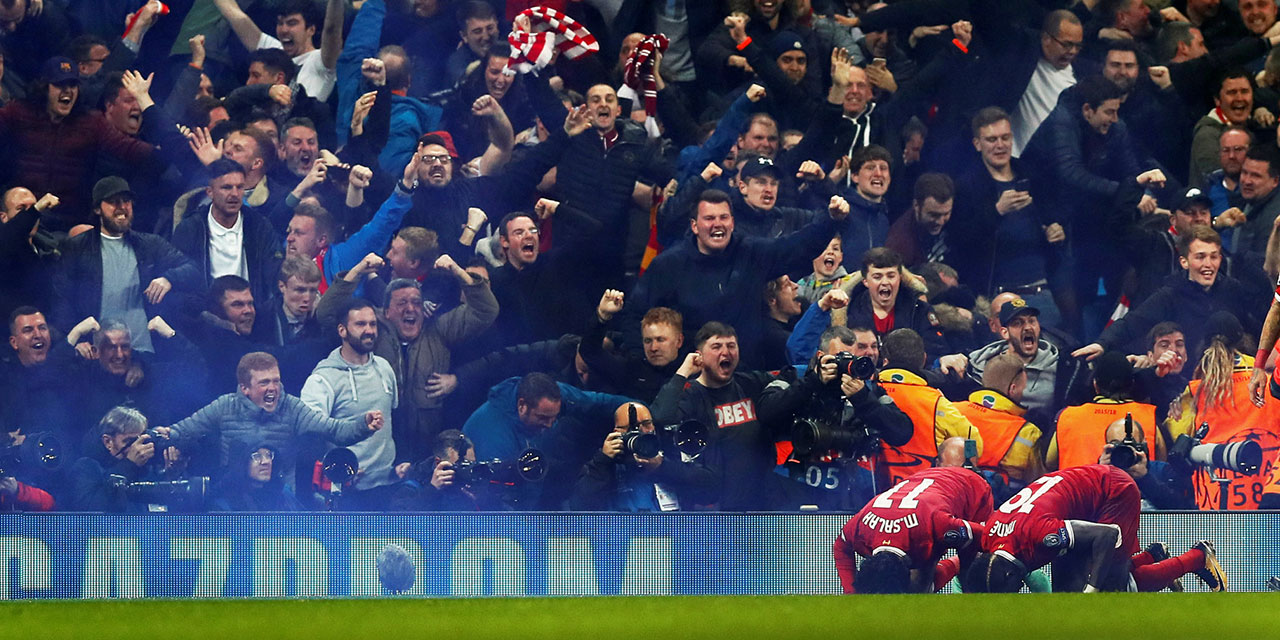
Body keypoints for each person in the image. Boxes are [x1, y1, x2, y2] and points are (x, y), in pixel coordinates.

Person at [625, 189, 850, 365]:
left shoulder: (751, 252)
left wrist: (830, 220)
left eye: (723, 217)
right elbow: (635, 315)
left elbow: (796, 248)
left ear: (732, 222)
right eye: (709, 218)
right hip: (691, 380)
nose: (717, 224)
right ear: (694, 226)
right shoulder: (668, 265)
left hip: (744, 376)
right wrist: (644, 364)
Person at [315, 253, 497, 463]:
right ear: (386, 312)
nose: (410, 308)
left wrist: (457, 271)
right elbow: (326, 313)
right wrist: (358, 270)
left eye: (416, 303)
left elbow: (487, 311)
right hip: (381, 451)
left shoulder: (439, 330)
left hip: (428, 451)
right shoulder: (373, 330)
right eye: (402, 303)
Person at [962, 465, 1226, 592]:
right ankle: (1151, 556)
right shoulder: (990, 536)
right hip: (1075, 502)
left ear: (1010, 575)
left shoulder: (1042, 535)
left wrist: (1092, 589)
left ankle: (1198, 557)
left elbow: (1107, 535)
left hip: (1112, 491)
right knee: (1067, 594)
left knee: (1112, 589)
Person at [161, 352, 383, 490]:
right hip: (235, 502)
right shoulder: (225, 406)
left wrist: (363, 424)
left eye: (276, 381)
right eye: (264, 382)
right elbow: (184, 430)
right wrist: (157, 435)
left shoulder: (293, 407)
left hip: (280, 504)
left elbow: (335, 430)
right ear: (245, 388)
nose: (273, 388)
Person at [760, 324, 913, 511]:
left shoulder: (866, 388)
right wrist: (812, 382)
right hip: (793, 488)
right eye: (839, 358)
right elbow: (766, 411)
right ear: (820, 356)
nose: (844, 366)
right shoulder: (795, 375)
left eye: (851, 359)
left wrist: (863, 400)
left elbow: (902, 431)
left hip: (851, 494)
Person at [52, 176, 199, 353]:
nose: (122, 207)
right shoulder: (76, 247)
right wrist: (76, 338)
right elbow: (62, 298)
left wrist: (169, 279)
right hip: (97, 351)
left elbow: (194, 270)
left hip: (144, 350)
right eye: (113, 201)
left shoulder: (151, 244)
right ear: (97, 209)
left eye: (126, 201)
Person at [650, 322, 786, 510]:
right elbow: (661, 417)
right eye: (716, 347)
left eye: (731, 346)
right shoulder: (691, 394)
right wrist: (683, 371)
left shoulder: (750, 383)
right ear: (699, 355)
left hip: (762, 505)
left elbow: (792, 375)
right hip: (715, 509)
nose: (726, 352)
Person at [951, 107, 1063, 322]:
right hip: (997, 296)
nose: (1000, 145)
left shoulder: (1031, 175)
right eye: (991, 139)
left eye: (1005, 137)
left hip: (1042, 291)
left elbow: (1053, 215)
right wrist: (997, 211)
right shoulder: (966, 186)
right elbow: (960, 241)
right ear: (977, 144)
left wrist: (1054, 231)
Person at [462, 372, 631, 509]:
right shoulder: (493, 435)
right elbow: (501, 503)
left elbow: (597, 402)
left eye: (554, 417)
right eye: (543, 418)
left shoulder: (548, 398)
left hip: (543, 489)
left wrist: (636, 407)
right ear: (522, 405)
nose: (550, 425)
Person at [300, 298, 399, 509]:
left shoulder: (384, 368)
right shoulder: (322, 379)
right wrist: (336, 473)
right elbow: (310, 431)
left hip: (388, 485)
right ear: (342, 330)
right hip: (345, 492)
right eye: (360, 324)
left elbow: (393, 420)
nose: (369, 330)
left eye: (372, 324)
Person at [832, 467, 993, 594]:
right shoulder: (859, 529)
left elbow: (986, 535)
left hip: (971, 486)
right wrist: (851, 594)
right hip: (922, 486)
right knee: (921, 585)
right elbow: (840, 546)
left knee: (967, 576)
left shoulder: (935, 525)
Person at [1182, 312, 1280, 510]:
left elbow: (1178, 441)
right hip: (1267, 498)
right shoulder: (1270, 384)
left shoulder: (1195, 391)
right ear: (1242, 339)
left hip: (1215, 503)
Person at [943, 299, 1091, 427]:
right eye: (1018, 323)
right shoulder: (977, 364)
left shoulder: (1064, 367)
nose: (1027, 327)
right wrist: (940, 362)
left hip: (1043, 444)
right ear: (1004, 332)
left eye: (1032, 321)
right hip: (990, 442)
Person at [172, 158, 284, 306]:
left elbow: (274, 273)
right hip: (205, 312)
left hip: (250, 310)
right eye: (227, 187)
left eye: (240, 187)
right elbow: (181, 277)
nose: (235, 194)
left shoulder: (259, 226)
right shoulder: (190, 228)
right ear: (210, 192)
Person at [875, 328, 981, 485]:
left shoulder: (866, 393)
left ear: (885, 361)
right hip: (922, 492)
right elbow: (973, 441)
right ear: (924, 359)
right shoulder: (936, 402)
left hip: (869, 491)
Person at [567, 402, 716, 511]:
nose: (641, 432)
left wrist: (662, 467)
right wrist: (603, 461)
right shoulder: (604, 465)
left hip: (669, 537)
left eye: (646, 424)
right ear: (616, 431)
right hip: (621, 539)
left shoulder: (670, 455)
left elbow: (710, 492)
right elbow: (580, 507)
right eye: (630, 428)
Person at [1047, 351, 1163, 471]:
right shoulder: (1150, 417)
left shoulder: (1066, 416)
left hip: (1076, 483)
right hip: (1135, 483)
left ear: (1095, 384)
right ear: (1131, 384)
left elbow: (1049, 463)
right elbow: (1163, 463)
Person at [211, 0, 343, 102]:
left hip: (304, 127)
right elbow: (236, 16)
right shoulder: (274, 51)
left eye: (292, 23)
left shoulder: (320, 62)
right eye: (280, 23)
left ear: (311, 30)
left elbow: (332, 29)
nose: (284, 30)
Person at [952, 350, 1044, 486]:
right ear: (1013, 389)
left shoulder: (952, 410)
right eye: (1024, 388)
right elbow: (1036, 482)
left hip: (953, 490)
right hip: (1002, 497)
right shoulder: (1028, 432)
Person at [579, 291, 684, 403]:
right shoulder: (631, 370)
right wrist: (602, 317)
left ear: (679, 341)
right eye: (647, 341)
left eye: (660, 340)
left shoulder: (693, 374)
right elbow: (590, 352)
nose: (653, 348)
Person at [884, 173, 954, 270]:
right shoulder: (899, 244)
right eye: (934, 215)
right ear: (916, 205)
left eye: (946, 214)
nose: (940, 222)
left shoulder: (958, 218)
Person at [210, 441, 301, 511]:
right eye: (257, 456)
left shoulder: (283, 494)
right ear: (241, 464)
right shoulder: (222, 504)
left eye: (268, 455)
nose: (266, 462)